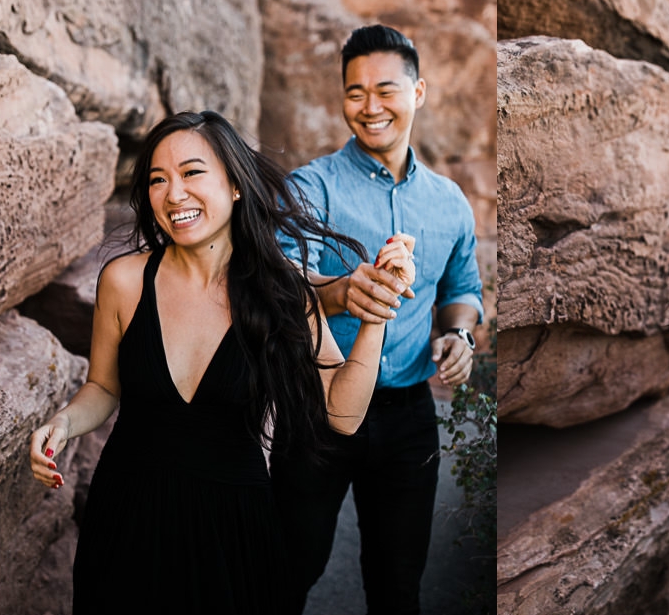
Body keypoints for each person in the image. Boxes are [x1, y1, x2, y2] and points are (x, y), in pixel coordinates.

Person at [25, 111, 400, 614]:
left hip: (234, 529)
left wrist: (375, 318)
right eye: (158, 179)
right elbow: (104, 388)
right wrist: (63, 423)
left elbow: (343, 413)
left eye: (192, 172)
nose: (173, 193)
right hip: (127, 517)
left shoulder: (280, 289)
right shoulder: (124, 280)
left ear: (235, 185)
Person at [275, 24, 485, 614]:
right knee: (287, 570)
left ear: (419, 92)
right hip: (314, 408)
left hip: (408, 418)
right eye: (354, 92)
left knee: (398, 585)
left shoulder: (449, 203)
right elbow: (282, 284)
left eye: (386, 90)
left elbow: (462, 290)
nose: (370, 107)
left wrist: (459, 333)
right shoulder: (310, 187)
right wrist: (345, 292)